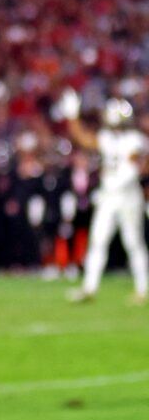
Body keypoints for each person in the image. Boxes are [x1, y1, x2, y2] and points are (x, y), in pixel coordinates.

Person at [61, 92, 149, 304]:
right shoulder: (108, 138)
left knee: (133, 242)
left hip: (127, 196)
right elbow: (83, 138)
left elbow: (135, 168)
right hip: (109, 197)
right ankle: (89, 288)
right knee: (98, 240)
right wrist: (72, 115)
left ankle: (143, 288)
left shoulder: (135, 140)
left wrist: (113, 185)